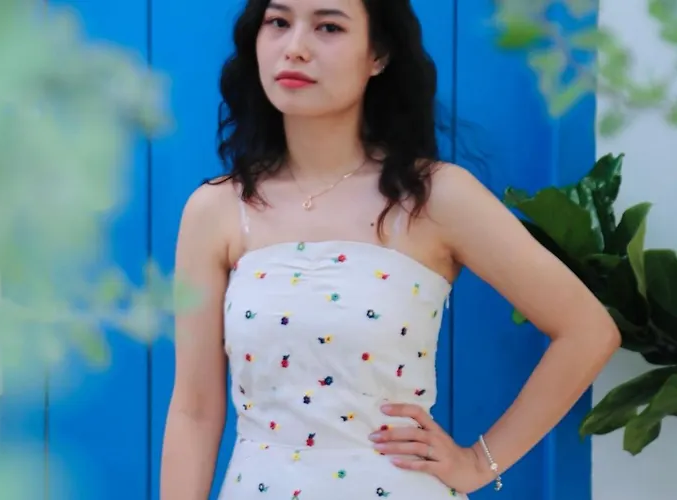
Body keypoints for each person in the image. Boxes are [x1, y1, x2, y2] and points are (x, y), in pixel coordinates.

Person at [160, 0, 621, 498]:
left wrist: (479, 463)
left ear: (377, 54)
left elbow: (588, 330)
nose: (295, 48)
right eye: (278, 22)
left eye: (328, 26)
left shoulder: (435, 197)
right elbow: (194, 410)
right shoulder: (218, 209)